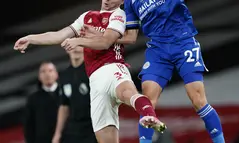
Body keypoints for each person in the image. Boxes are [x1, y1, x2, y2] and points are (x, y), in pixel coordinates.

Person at [13, 0, 166, 143]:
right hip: (95, 80)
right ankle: (148, 115)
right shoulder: (86, 16)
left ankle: (149, 116)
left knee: (127, 93)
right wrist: (31, 38)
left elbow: (106, 42)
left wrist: (78, 40)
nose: (107, 0)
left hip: (112, 67)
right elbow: (59, 35)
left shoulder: (119, 15)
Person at [118, 0, 226, 143]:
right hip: (158, 49)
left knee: (198, 99)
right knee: (147, 103)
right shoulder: (130, 3)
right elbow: (131, 36)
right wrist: (104, 39)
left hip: (183, 42)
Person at [52, 47, 97, 143]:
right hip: (72, 130)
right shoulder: (64, 75)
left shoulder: (94, 72)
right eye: (72, 45)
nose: (75, 49)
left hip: (92, 129)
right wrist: (57, 133)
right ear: (66, 48)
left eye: (79, 44)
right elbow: (64, 106)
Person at [24, 62, 59, 143]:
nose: (47, 74)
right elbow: (29, 126)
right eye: (43, 71)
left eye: (50, 71)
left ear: (56, 74)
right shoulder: (33, 99)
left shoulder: (66, 93)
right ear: (39, 76)